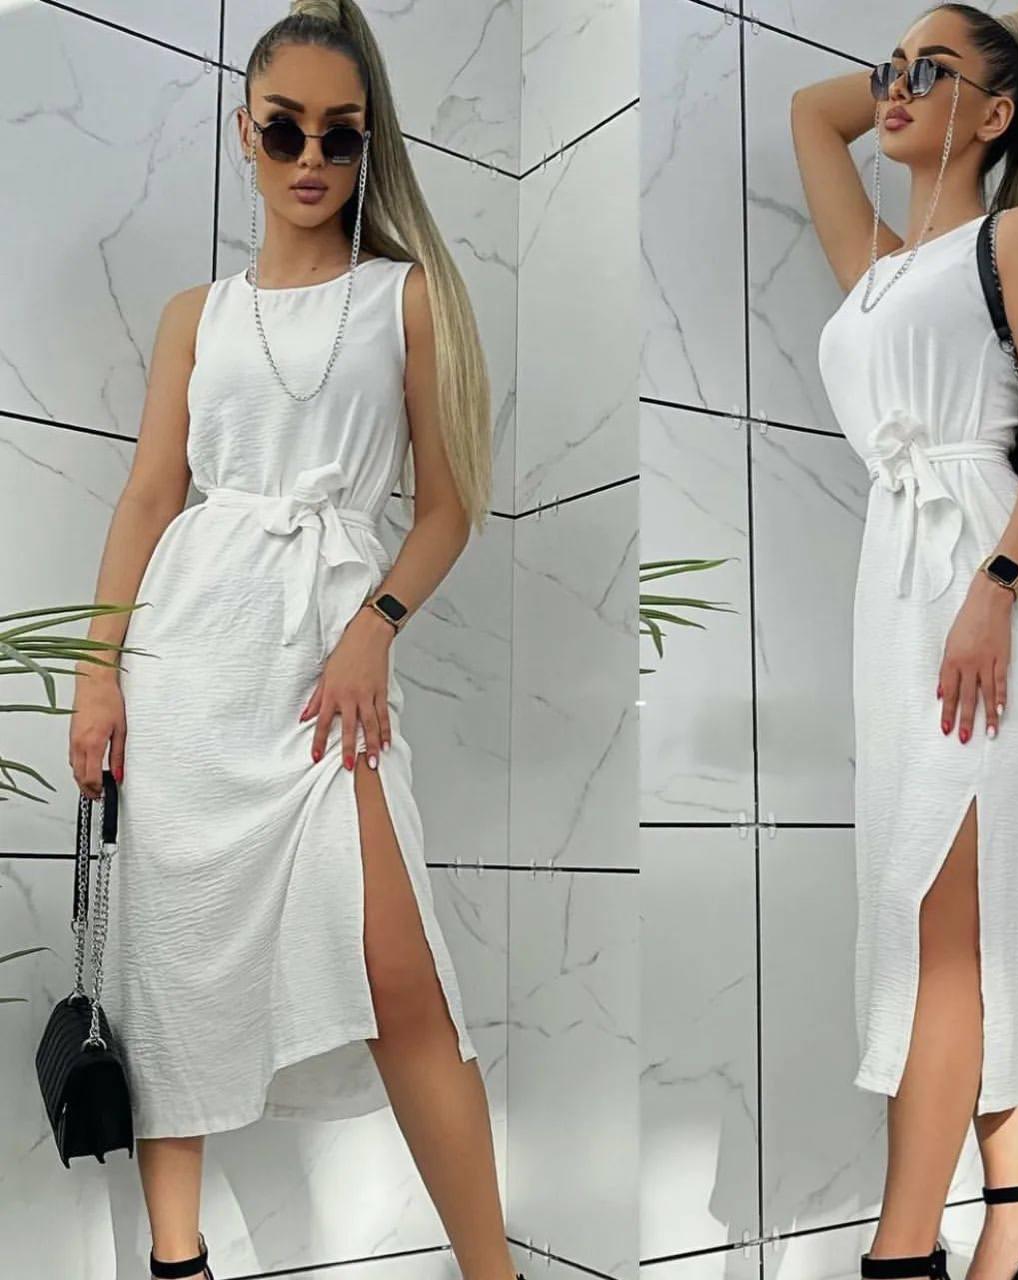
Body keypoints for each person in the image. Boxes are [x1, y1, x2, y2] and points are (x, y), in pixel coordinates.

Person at [66, 4, 523, 1278]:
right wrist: (97, 671)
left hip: (329, 668)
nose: (310, 157)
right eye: (283, 131)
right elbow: (149, 497)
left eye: (339, 133)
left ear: (369, 142)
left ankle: (492, 1267)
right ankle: (177, 1260)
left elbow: (448, 507)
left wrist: (374, 627)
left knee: (399, 972)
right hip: (189, 660)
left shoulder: (406, 297)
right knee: (172, 965)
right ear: (244, 133)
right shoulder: (194, 315)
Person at [791, 5, 1018, 1279]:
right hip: (895, 592)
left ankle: (901, 1249)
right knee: (937, 912)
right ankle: (1017, 1200)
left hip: (987, 576)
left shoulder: (1009, 236)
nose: (893, 87)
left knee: (942, 918)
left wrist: (993, 588)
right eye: (890, 65)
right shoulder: (873, 265)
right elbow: (811, 115)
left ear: (995, 113)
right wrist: (969, 47)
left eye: (928, 72)